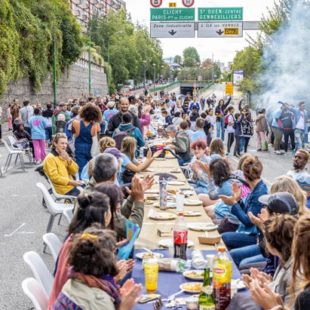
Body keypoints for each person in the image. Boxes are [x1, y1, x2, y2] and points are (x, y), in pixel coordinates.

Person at [53, 227, 142, 310]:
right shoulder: (98, 300)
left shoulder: (73, 281)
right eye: (114, 252)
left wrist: (114, 283)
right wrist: (124, 307)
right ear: (107, 261)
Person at [228, 214, 297, 310]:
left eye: (265, 239)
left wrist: (263, 291)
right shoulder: (284, 260)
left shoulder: (293, 272)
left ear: (271, 246)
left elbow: (281, 303)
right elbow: (279, 291)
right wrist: (264, 285)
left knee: (239, 300)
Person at [248, 215, 310, 310]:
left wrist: (274, 307)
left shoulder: (298, 279)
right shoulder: (285, 261)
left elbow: (289, 304)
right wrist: (269, 284)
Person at [220, 156, 268, 250]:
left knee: (224, 238)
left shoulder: (259, 192)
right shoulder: (257, 187)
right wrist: (238, 200)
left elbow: (248, 221)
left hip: (255, 236)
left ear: (245, 176)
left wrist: (234, 203)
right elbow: (247, 211)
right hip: (251, 232)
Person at [72, 103, 101, 173]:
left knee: (81, 170)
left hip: (79, 148)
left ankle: (82, 182)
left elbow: (74, 136)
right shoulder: (96, 126)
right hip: (91, 149)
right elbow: (97, 140)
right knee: (92, 169)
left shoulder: (75, 123)